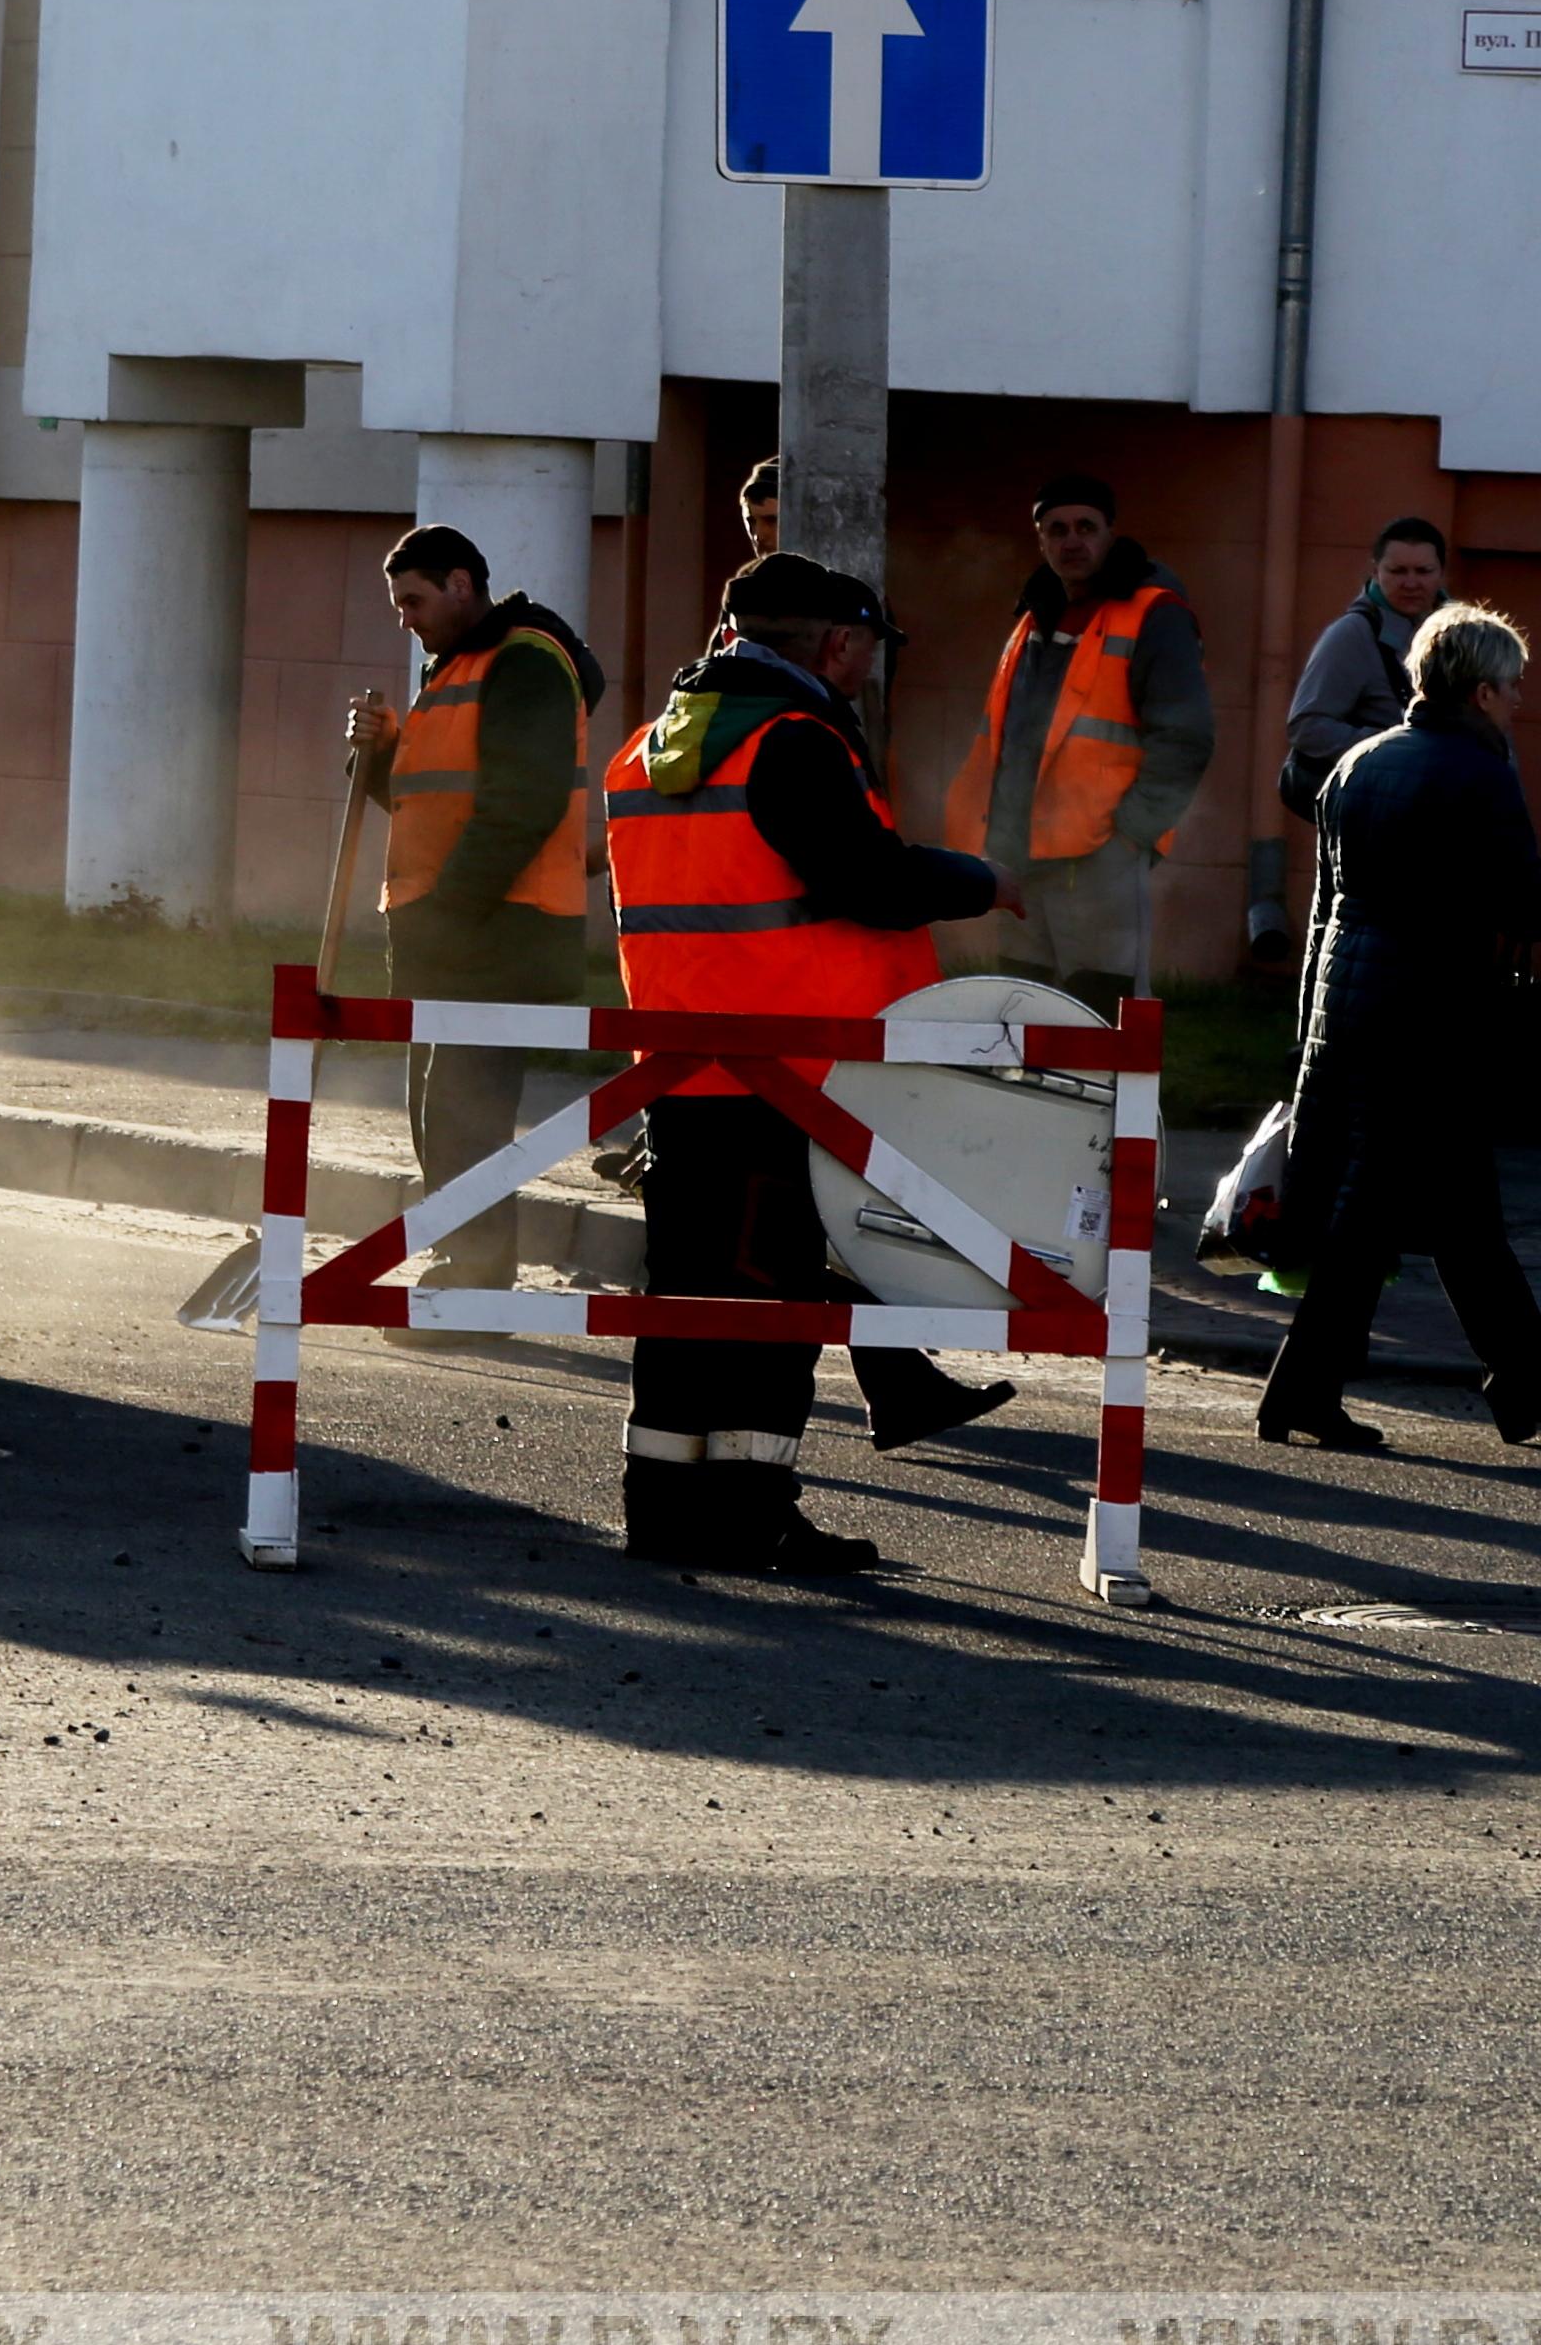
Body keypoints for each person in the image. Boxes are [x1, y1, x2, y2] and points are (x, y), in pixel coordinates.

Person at [603, 554, 1019, 1571]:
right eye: (869, 646)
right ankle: (751, 1516)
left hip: (684, 1070)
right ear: (836, 644)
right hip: (788, 1077)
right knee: (769, 1307)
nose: (870, 665)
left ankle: (663, 1508)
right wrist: (978, 880)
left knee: (690, 1301)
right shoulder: (793, 741)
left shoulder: (654, 748)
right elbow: (867, 881)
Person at [1254, 603, 1541, 1452]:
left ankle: (1526, 1380)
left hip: (1352, 1005)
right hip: (1430, 1017)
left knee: (1460, 1212)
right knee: (1375, 1215)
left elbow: (1325, 912)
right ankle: (1299, 1393)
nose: (1520, 702)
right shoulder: (1478, 773)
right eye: (1515, 687)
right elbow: (1523, 909)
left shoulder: (1357, 761)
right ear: (1485, 691)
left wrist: (1312, 1017)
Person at [339, 525, 607, 1279]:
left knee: (466, 1118)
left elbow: (521, 805)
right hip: (452, 931)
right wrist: (379, 752)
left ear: (463, 584)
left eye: (414, 600)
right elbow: (424, 803)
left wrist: (452, 913)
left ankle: (478, 1273)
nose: (405, 618)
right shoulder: (457, 668)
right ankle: (463, 1260)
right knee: (439, 1114)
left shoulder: (523, 662)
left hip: (493, 932)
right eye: (398, 604)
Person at [946, 472, 1214, 1009]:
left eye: (1086, 527)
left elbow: (1186, 736)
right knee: (1022, 1012)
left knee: (1101, 1016)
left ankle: (1101, 1098)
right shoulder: (1033, 616)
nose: (1073, 540)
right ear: (1040, 539)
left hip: (1100, 854)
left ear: (1110, 533)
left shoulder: (1154, 614)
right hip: (1020, 854)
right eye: (1057, 529)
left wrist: (1132, 834)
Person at [1278, 515, 1451, 826]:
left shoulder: (1463, 635)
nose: (1411, 583)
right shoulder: (1352, 635)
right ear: (1375, 572)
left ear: (1441, 573)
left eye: (1423, 571)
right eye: (1397, 571)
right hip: (1375, 817)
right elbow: (1306, 726)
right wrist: (1387, 749)